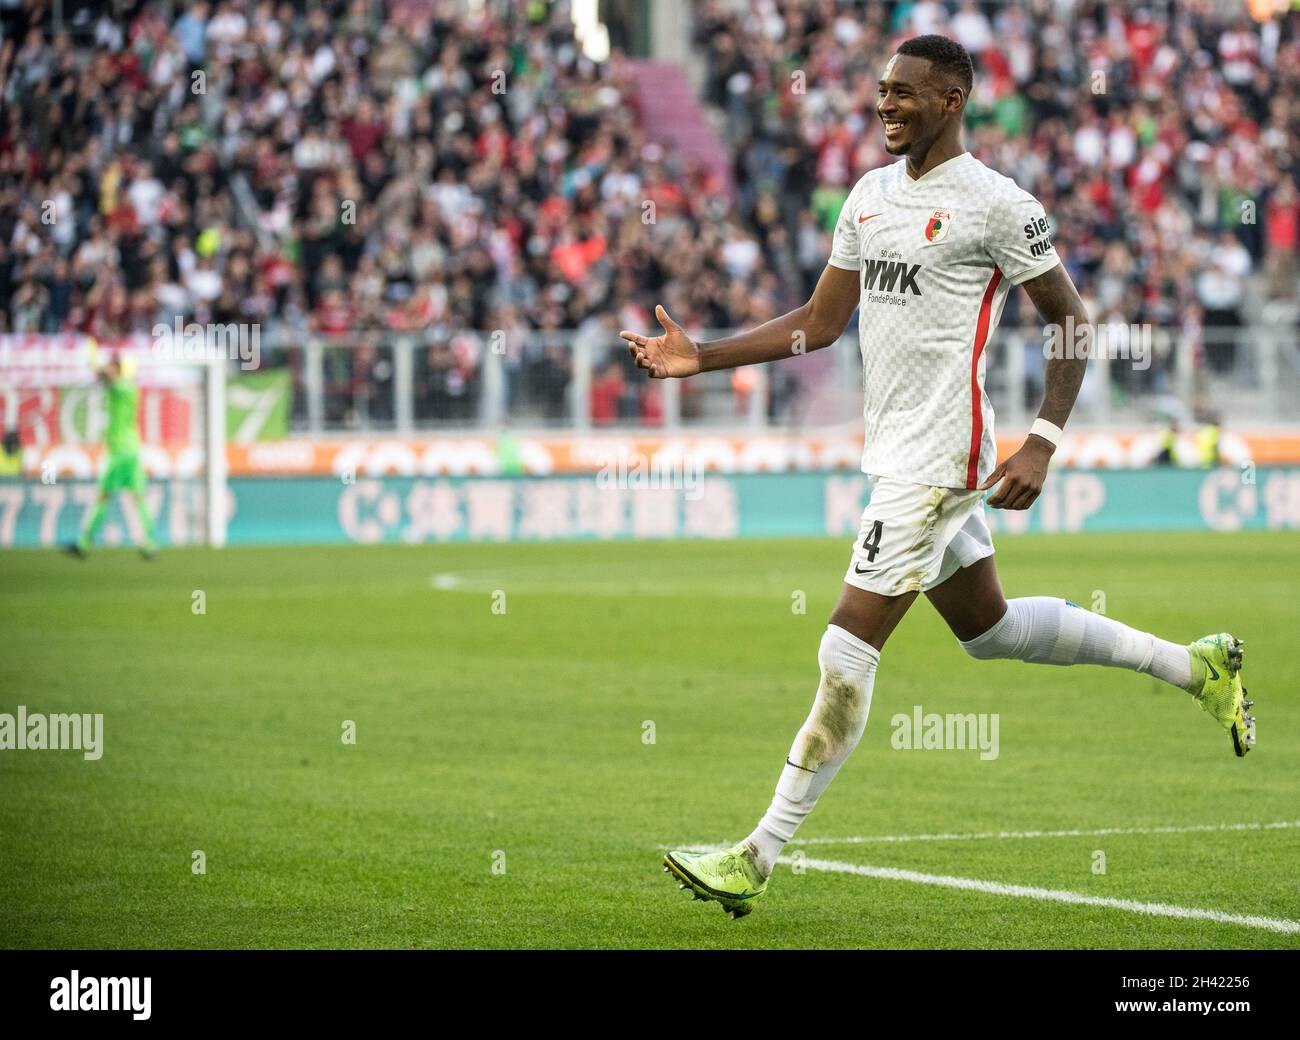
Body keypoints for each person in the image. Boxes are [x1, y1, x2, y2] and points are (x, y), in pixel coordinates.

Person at [621, 36, 1256, 920]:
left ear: (952, 100)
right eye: (882, 91)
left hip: (939, 462)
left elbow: (1070, 322)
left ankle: (756, 856)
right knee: (989, 630)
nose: (886, 105)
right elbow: (821, 321)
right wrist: (706, 358)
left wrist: (1041, 440)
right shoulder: (871, 196)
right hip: (898, 452)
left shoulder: (998, 205)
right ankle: (1197, 667)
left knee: (844, 649)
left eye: (906, 94)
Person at [65, 343, 158, 560]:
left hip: (120, 452)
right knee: (138, 497)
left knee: (103, 496)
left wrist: (93, 358)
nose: (110, 370)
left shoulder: (123, 387)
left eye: (113, 367)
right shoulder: (129, 387)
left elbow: (104, 377)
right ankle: (150, 544)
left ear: (119, 370)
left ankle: (84, 542)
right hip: (131, 449)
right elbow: (103, 379)